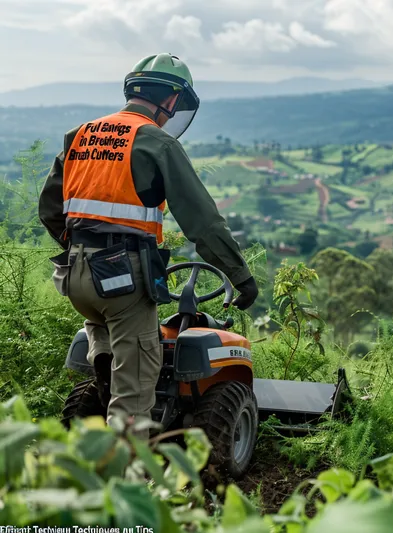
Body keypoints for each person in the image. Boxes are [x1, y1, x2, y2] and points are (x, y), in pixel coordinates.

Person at [38, 53, 259, 438]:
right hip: (122, 278)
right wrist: (241, 277)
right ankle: (125, 491)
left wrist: (82, 246)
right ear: (171, 101)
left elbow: (49, 209)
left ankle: (103, 362)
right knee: (133, 402)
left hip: (75, 274)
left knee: (100, 327)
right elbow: (203, 222)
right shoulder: (156, 141)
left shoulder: (81, 135)